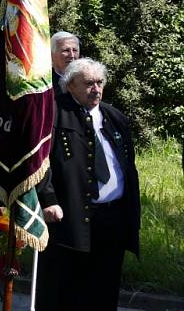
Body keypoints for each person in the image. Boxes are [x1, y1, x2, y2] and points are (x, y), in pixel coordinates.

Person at [37, 58, 141, 311]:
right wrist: (48, 199)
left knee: (104, 290)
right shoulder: (51, 114)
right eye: (89, 83)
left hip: (112, 219)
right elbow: (39, 163)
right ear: (70, 85)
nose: (96, 89)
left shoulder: (115, 117)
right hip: (69, 220)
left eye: (100, 83)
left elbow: (128, 166)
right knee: (66, 291)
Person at [50, 31, 80, 95]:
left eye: (75, 50)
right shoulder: (45, 85)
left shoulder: (85, 78)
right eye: (66, 50)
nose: (72, 55)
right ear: (52, 54)